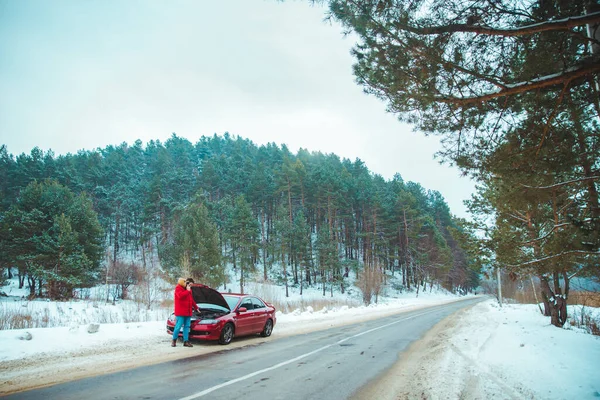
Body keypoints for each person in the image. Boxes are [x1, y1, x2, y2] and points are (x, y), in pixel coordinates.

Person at [171, 277, 198, 347]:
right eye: (189, 284)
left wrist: (196, 307)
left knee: (187, 326)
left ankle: (186, 341)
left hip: (188, 312)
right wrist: (187, 291)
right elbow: (180, 296)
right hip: (180, 312)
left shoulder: (189, 290)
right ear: (185, 283)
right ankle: (174, 340)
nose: (190, 286)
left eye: (191, 285)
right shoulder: (178, 288)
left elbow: (191, 299)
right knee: (178, 326)